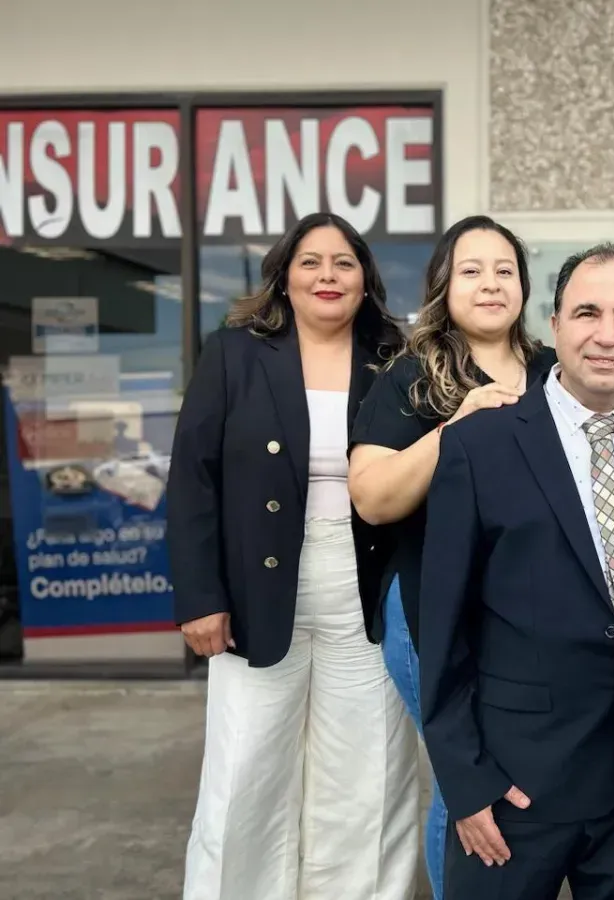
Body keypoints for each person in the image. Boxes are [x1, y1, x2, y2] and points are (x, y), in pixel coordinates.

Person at [418, 243, 614, 900]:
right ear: (554, 325)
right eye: (587, 313)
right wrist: (467, 782)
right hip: (516, 787)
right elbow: (442, 628)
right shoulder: (478, 445)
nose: (608, 335)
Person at [167, 212, 420, 900]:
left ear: (366, 280)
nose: (328, 276)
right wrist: (200, 596)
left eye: (344, 263)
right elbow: (193, 479)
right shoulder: (234, 352)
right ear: (283, 277)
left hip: (367, 596)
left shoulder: (397, 358)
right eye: (311, 262)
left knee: (369, 780)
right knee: (245, 775)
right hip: (255, 594)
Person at [347, 214, 557, 899]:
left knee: (518, 767)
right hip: (431, 612)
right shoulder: (410, 378)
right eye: (472, 270)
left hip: (530, 614)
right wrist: (456, 428)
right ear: (445, 285)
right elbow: (373, 498)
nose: (490, 283)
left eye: (504, 270)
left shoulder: (555, 374)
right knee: (466, 776)